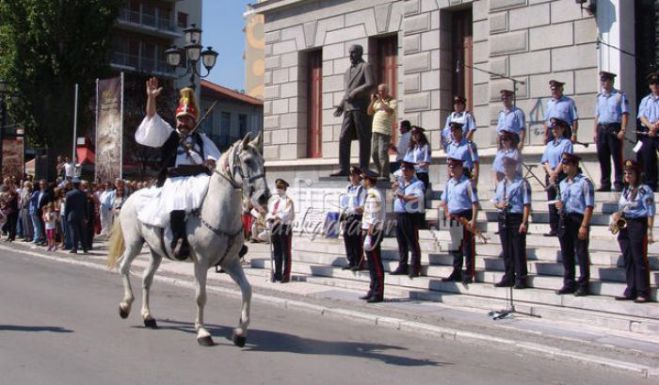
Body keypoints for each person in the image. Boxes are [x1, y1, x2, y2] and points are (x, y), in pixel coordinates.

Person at [135, 77, 221, 260]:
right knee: (178, 197)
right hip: (174, 179)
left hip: (199, 178)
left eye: (187, 119)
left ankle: (226, 240)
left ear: (193, 121)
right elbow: (152, 117)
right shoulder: (168, 133)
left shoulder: (202, 139)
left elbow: (214, 157)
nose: (182, 122)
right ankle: (178, 240)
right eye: (180, 119)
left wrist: (211, 163)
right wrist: (151, 98)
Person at [612, 160, 655, 303]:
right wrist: (616, 216)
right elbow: (622, 207)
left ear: (637, 174)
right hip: (625, 223)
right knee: (628, 257)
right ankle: (631, 289)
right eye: (625, 173)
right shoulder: (626, 190)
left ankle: (643, 291)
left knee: (639, 257)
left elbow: (650, 211)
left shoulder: (644, 190)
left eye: (630, 173)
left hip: (638, 224)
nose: (627, 176)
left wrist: (649, 231)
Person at [331, 44, 375, 177]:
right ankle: (344, 168)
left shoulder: (365, 67)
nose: (351, 55)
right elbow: (347, 92)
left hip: (361, 108)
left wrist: (356, 92)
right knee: (343, 137)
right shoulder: (347, 71)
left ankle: (364, 168)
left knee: (364, 137)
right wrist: (341, 105)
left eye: (353, 53)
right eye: (350, 53)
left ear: (360, 53)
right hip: (349, 109)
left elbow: (371, 84)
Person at [554, 152, 594, 296]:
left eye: (567, 164)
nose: (564, 167)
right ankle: (569, 282)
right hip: (565, 219)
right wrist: (558, 205)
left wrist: (584, 225)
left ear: (575, 165)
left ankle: (584, 284)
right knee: (566, 253)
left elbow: (589, 206)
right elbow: (559, 199)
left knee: (581, 252)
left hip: (578, 219)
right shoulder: (562, 183)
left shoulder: (584, 182)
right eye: (563, 164)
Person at [493, 156, 531, 289]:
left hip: (516, 216)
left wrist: (524, 222)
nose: (506, 169)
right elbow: (495, 202)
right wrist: (499, 205)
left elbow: (526, 204)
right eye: (504, 167)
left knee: (518, 249)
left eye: (509, 166)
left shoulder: (522, 183)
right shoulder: (501, 184)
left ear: (514, 167)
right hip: (504, 216)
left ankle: (521, 277)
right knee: (507, 249)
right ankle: (509, 275)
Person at [440, 157, 479, 284]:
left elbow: (474, 203)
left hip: (465, 215)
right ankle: (456, 270)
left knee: (468, 246)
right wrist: (446, 212)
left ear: (460, 168)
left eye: (454, 166)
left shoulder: (467, 183)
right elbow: (444, 201)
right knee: (456, 246)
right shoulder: (449, 183)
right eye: (450, 167)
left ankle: (469, 272)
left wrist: (473, 219)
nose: (451, 169)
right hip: (453, 216)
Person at [593, 71, 629, 192]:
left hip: (614, 127)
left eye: (606, 80)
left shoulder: (619, 95)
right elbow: (597, 116)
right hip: (601, 128)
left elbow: (624, 114)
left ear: (611, 81)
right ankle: (605, 183)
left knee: (616, 156)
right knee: (603, 157)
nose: (603, 83)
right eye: (602, 80)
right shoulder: (599, 97)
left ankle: (619, 182)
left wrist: (623, 129)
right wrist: (594, 132)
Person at [390, 161, 425, 278]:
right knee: (401, 242)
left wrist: (403, 197)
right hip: (399, 214)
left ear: (412, 171)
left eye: (407, 170)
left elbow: (417, 197)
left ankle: (415, 267)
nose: (404, 172)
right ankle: (403, 265)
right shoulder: (400, 184)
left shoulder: (417, 184)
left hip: (410, 215)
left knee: (412, 242)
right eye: (403, 170)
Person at [541, 118, 574, 237]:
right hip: (550, 174)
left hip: (561, 174)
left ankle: (562, 226)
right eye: (552, 129)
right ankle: (553, 227)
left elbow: (565, 159)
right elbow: (545, 160)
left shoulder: (566, 143)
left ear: (562, 129)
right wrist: (550, 173)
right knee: (551, 201)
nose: (554, 130)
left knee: (561, 200)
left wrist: (555, 173)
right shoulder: (550, 144)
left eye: (556, 128)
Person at [360, 169, 385, 303]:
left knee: (375, 263)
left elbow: (374, 213)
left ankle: (378, 292)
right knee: (370, 263)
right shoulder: (371, 193)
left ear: (368, 180)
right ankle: (372, 288)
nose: (363, 181)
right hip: (369, 229)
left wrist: (371, 226)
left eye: (364, 179)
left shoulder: (374, 195)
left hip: (373, 231)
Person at [266, 178, 295, 283]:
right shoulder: (275, 201)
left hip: (284, 227)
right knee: (277, 252)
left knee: (286, 252)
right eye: (277, 187)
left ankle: (286, 275)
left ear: (285, 188)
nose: (278, 190)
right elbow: (270, 212)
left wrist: (276, 217)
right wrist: (270, 218)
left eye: (280, 188)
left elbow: (285, 214)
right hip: (275, 227)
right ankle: (277, 273)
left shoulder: (288, 201)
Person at [367, 83, 396, 178]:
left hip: (385, 131)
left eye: (382, 90)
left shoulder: (392, 100)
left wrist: (380, 100)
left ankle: (385, 175)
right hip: (375, 130)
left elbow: (390, 111)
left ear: (387, 91)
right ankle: (380, 172)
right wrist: (372, 101)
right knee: (374, 153)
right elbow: (369, 112)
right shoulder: (377, 102)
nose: (380, 92)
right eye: (379, 90)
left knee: (382, 153)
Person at [339, 167, 365, 271]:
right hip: (348, 216)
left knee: (356, 240)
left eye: (354, 175)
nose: (352, 177)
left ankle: (358, 262)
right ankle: (351, 261)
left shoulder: (361, 189)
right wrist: (343, 218)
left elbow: (362, 206)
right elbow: (344, 204)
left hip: (357, 216)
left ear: (359, 176)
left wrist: (354, 209)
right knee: (347, 238)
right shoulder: (348, 188)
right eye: (351, 175)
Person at [636, 72, 659, 191]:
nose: (655, 85)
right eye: (652, 83)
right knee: (648, 159)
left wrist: (655, 127)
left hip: (657, 130)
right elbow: (641, 116)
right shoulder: (645, 100)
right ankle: (651, 185)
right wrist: (651, 127)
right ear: (649, 86)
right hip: (648, 132)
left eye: (657, 83)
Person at [64, 177, 88, 254]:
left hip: (72, 215)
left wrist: (66, 216)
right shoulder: (83, 194)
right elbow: (85, 206)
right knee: (82, 232)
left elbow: (67, 207)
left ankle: (75, 248)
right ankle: (85, 248)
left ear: (73, 185)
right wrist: (86, 216)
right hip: (81, 215)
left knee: (74, 232)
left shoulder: (69, 194)